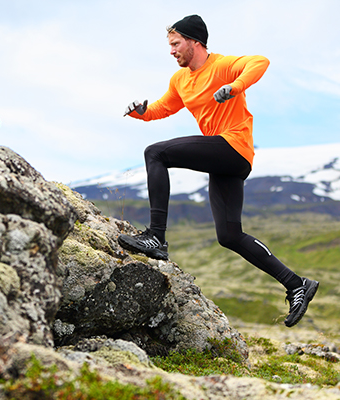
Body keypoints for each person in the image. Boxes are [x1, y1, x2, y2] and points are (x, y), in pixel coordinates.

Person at [118, 14, 318, 328]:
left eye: (175, 44)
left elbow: (260, 62)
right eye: (170, 45)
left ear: (195, 41)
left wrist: (235, 87)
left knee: (155, 153)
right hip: (226, 160)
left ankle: (156, 237)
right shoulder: (180, 80)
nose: (171, 51)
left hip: (233, 146)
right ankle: (296, 284)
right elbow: (164, 107)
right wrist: (142, 113)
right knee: (229, 235)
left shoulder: (222, 65)